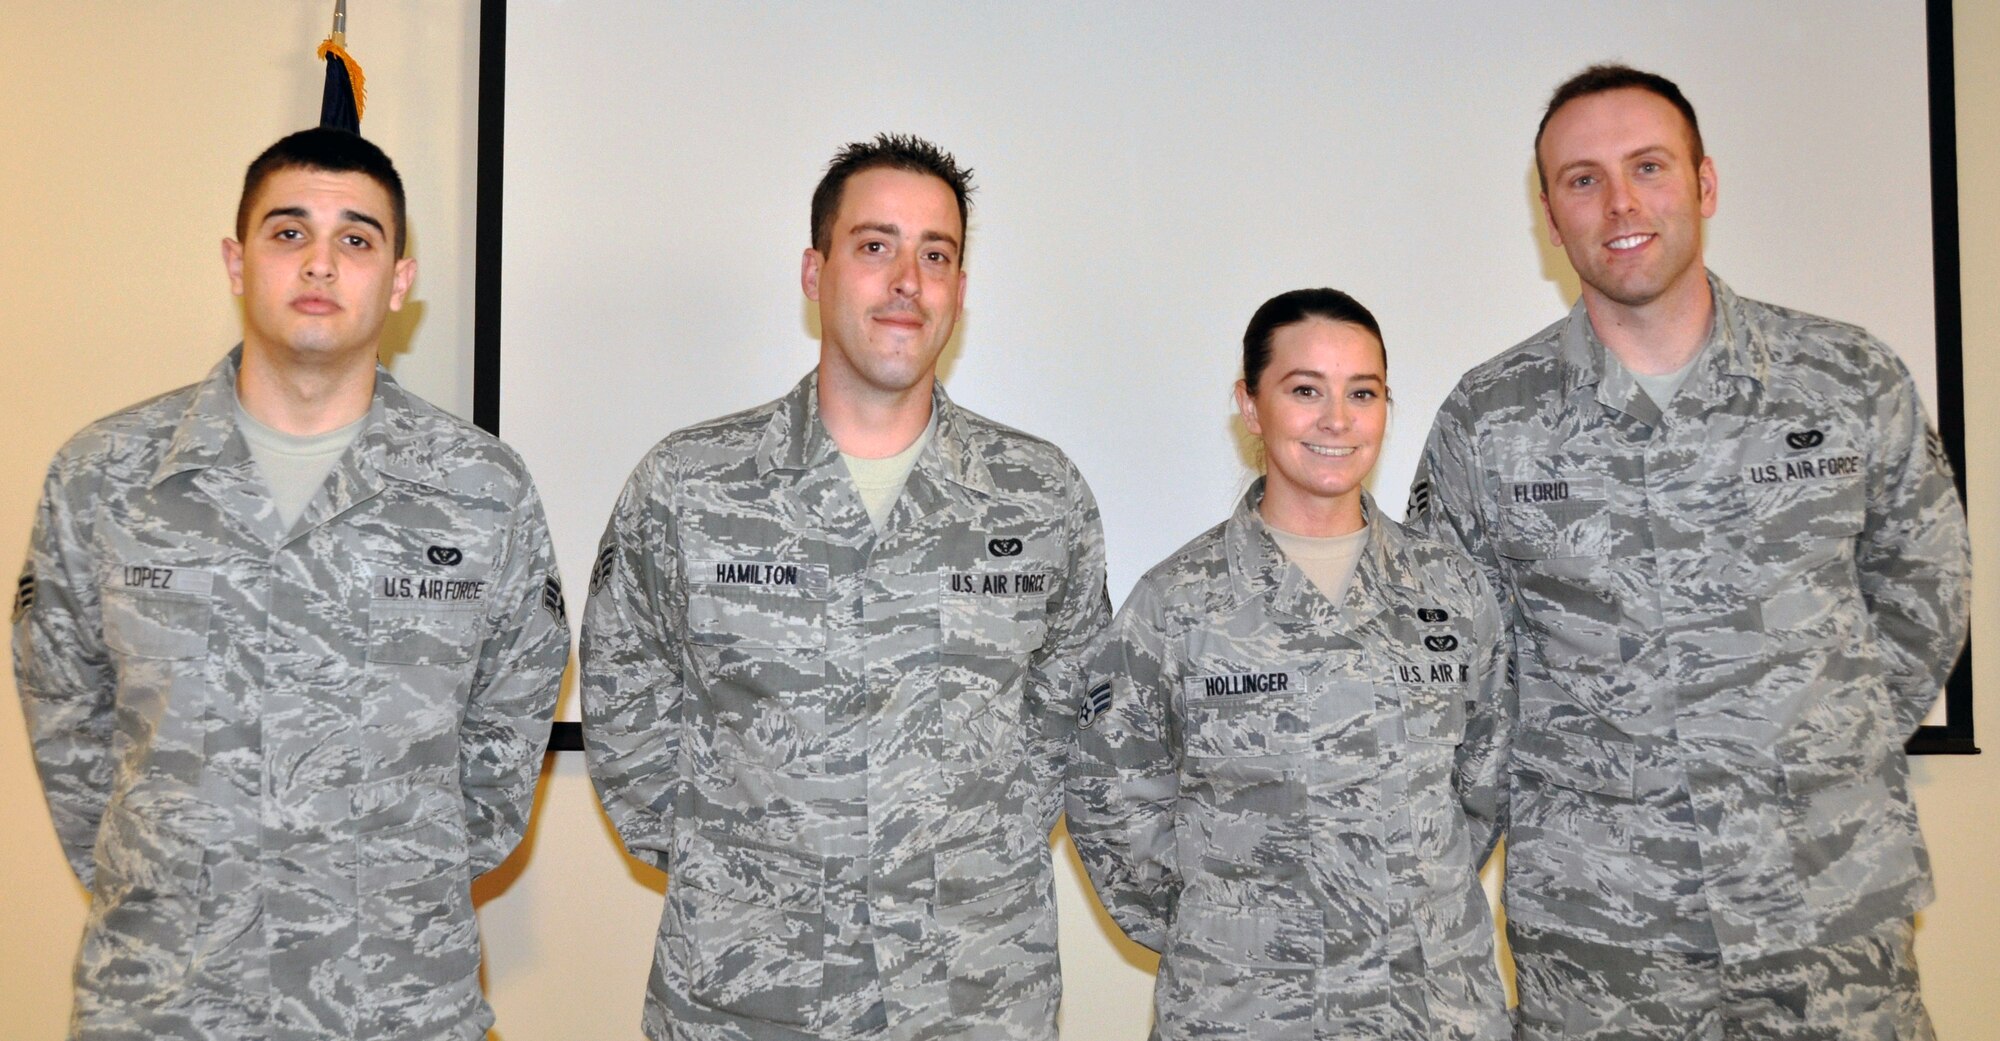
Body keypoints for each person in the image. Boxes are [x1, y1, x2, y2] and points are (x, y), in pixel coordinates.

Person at [1408, 64, 1971, 1039]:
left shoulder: (1845, 380)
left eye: (1647, 167)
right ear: (1549, 214)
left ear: (1702, 185)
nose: (1619, 202)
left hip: (1829, 919)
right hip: (1601, 942)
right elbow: (1446, 664)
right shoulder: (1486, 422)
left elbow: (1924, 587)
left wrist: (1808, 743)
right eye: (1581, 179)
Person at [11, 127, 569, 1040]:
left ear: (398, 280)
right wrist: (174, 867)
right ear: (237, 261)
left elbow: (503, 749)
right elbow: (70, 732)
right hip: (164, 1003)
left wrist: (387, 877)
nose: (320, 263)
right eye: (287, 232)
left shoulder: (481, 491)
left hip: (396, 1003)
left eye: (356, 238)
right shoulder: (104, 475)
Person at [579, 133, 1110, 1041]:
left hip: (974, 997)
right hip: (747, 995)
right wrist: (741, 862)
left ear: (959, 289)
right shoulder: (689, 485)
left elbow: (1078, 713)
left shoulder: (1041, 494)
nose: (908, 279)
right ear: (814, 271)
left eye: (935, 254)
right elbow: (626, 702)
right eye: (876, 246)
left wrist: (972, 849)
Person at [1068, 288, 1512, 1041]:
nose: (1337, 420)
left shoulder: (1453, 591)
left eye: (1362, 392)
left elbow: (1482, 790)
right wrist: (1233, 931)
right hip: (1247, 1012)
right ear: (1250, 405)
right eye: (1305, 390)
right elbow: (1113, 806)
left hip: (1432, 1007)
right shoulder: (1176, 604)